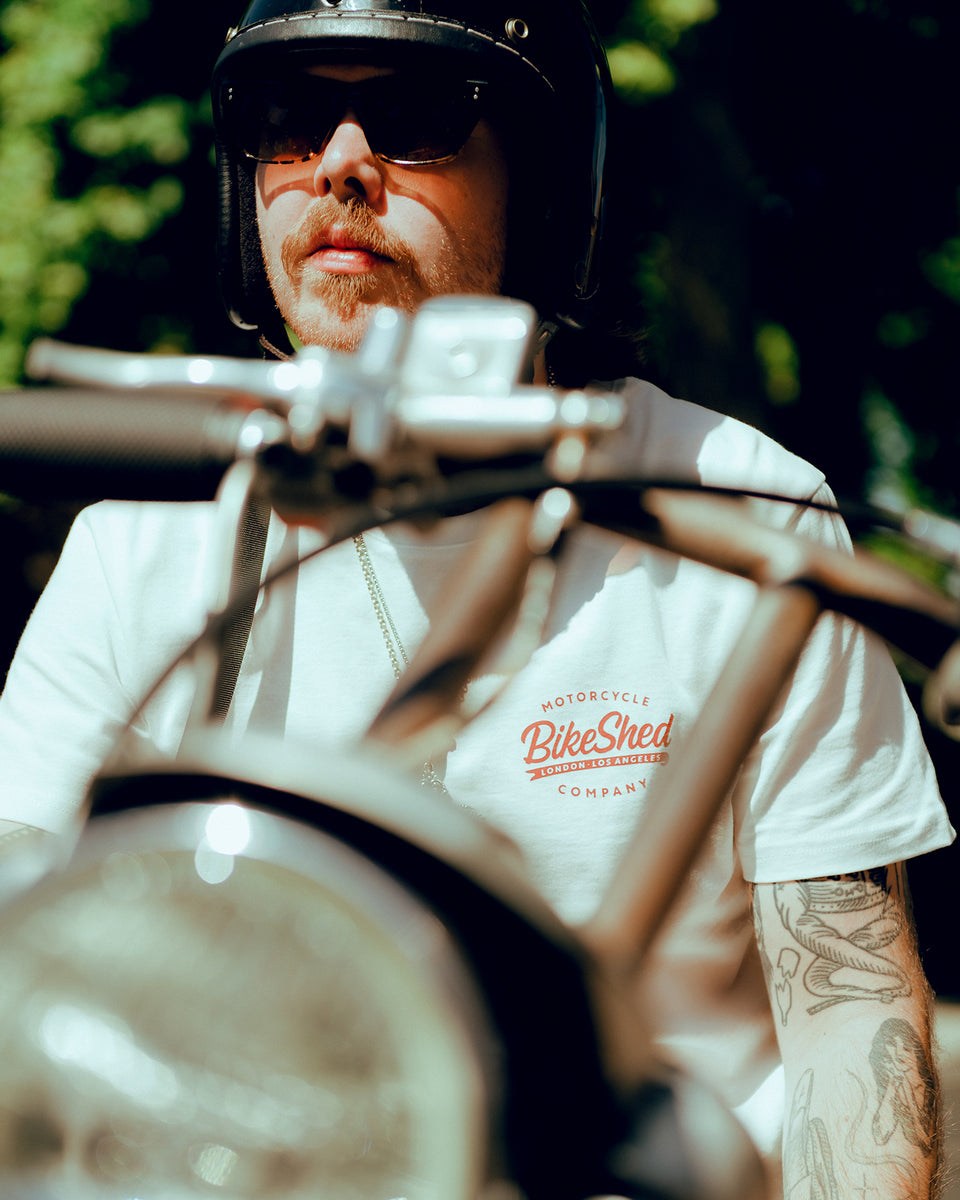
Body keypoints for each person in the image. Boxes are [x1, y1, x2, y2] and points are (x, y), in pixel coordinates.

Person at [0, 1, 953, 1195]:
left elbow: (845, 1014)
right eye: (286, 122)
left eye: (412, 120)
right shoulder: (148, 533)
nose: (339, 166)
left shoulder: (743, 511)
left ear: (545, 190)